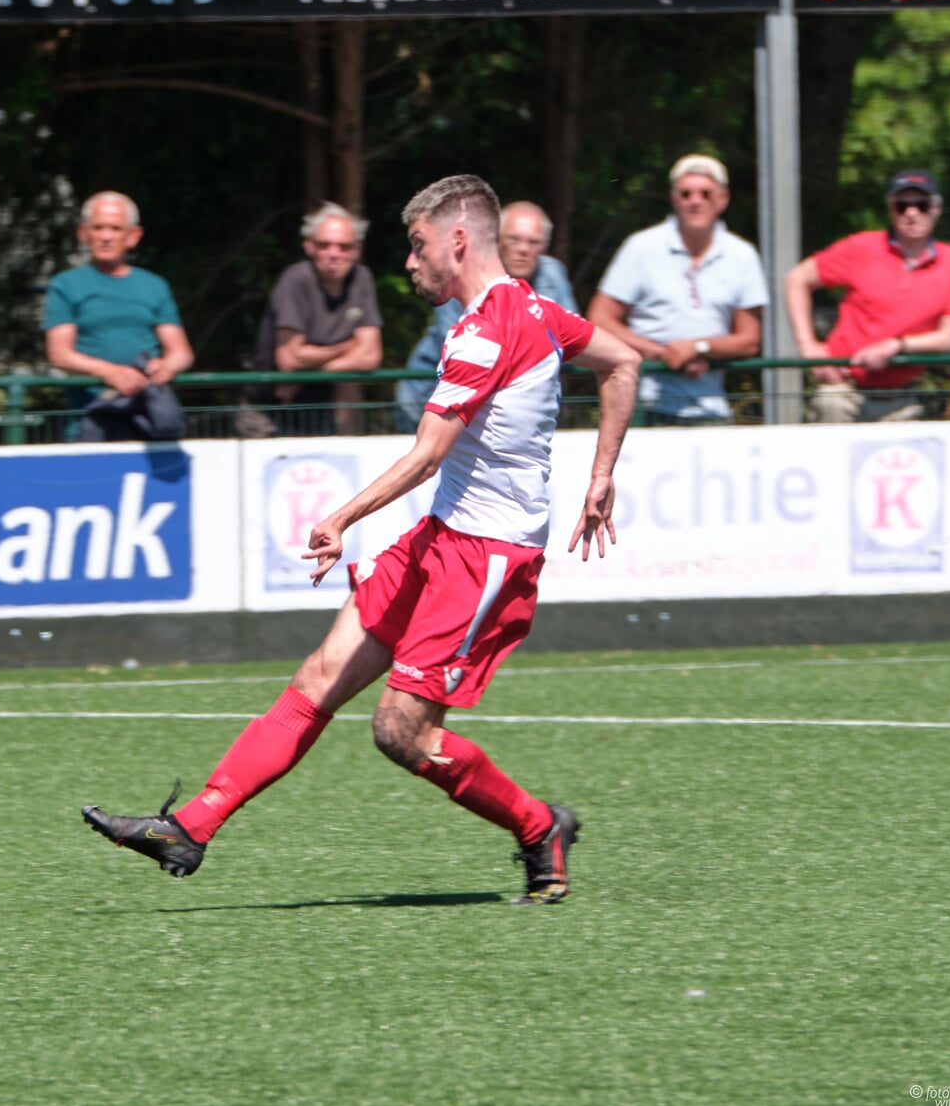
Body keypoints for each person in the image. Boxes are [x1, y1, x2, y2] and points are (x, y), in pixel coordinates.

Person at [82, 175, 640, 904]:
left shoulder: (486, 330)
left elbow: (428, 453)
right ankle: (190, 826)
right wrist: (601, 475)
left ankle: (539, 827)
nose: (408, 264)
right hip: (443, 536)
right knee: (319, 678)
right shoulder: (532, 310)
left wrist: (341, 517)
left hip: (487, 558)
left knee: (401, 734)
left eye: (416, 247)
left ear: (458, 241)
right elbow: (623, 361)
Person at [587, 155, 766, 426]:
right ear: (674, 198)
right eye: (686, 194)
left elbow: (750, 339)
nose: (695, 201)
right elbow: (599, 318)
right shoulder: (641, 247)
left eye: (705, 194)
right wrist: (661, 353)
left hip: (711, 408)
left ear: (722, 199)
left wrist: (699, 348)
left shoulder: (742, 255)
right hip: (642, 406)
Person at [785, 169, 950, 424]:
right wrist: (808, 346)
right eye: (902, 205)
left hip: (902, 397)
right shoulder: (862, 247)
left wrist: (896, 345)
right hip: (843, 390)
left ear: (936, 209)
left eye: (921, 204)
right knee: (830, 412)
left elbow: (949, 338)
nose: (911, 213)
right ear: (890, 209)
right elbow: (797, 279)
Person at [397, 200, 576, 434]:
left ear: (545, 246)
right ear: (497, 239)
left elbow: (571, 341)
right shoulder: (464, 268)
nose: (523, 249)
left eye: (533, 242)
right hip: (427, 400)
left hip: (502, 413)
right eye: (514, 239)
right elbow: (464, 347)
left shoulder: (553, 274)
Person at [42, 191, 195, 442]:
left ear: (133, 236)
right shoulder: (65, 284)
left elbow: (181, 352)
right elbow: (59, 354)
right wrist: (109, 372)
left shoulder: (155, 285)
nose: (105, 237)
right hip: (90, 419)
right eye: (98, 228)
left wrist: (165, 367)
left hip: (149, 419)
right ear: (84, 233)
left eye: (115, 228)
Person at [242, 202, 383, 437]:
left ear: (356, 250)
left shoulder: (362, 279)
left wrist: (309, 374)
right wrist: (348, 346)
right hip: (267, 410)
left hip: (319, 410)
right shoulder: (293, 280)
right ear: (309, 246)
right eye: (324, 245)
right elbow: (289, 359)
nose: (334, 254)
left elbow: (370, 356)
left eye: (344, 247)